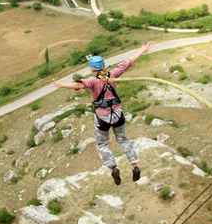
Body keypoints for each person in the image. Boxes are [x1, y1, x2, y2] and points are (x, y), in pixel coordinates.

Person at [52, 41, 155, 186]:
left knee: (101, 142)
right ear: (103, 66)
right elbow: (127, 62)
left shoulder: (92, 81)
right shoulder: (112, 74)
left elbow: (79, 85)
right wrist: (141, 51)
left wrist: (62, 85)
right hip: (117, 113)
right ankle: (134, 165)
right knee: (123, 139)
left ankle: (113, 167)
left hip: (103, 116)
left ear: (91, 68)